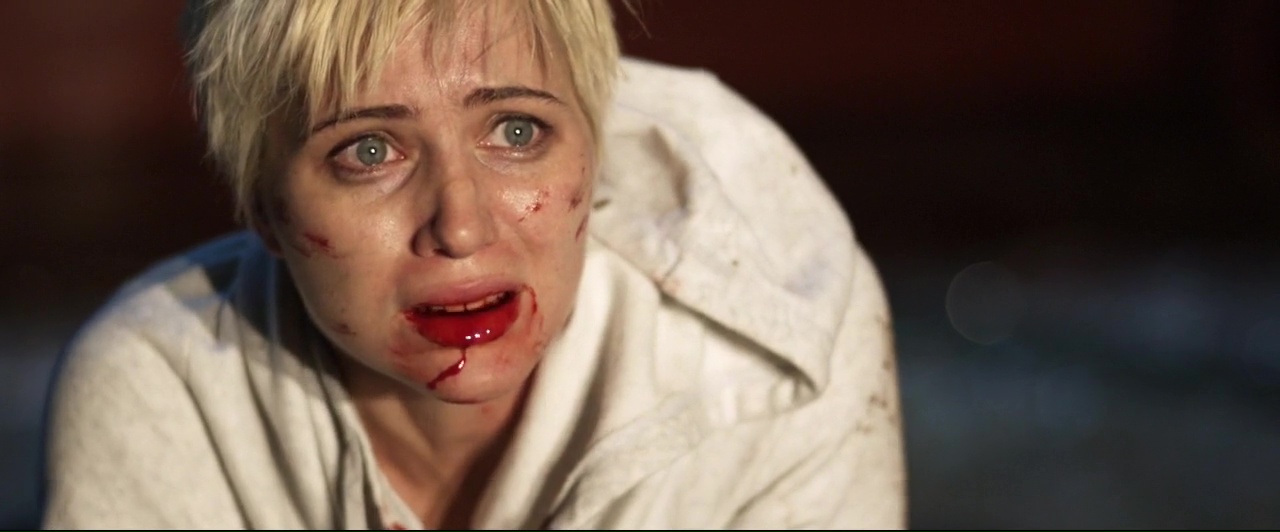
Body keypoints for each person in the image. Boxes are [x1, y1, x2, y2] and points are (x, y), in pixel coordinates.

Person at [40, 0, 906, 528]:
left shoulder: (781, 350)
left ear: (595, 148)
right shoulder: (164, 392)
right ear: (264, 209)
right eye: (368, 151)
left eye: (517, 132)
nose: (460, 225)